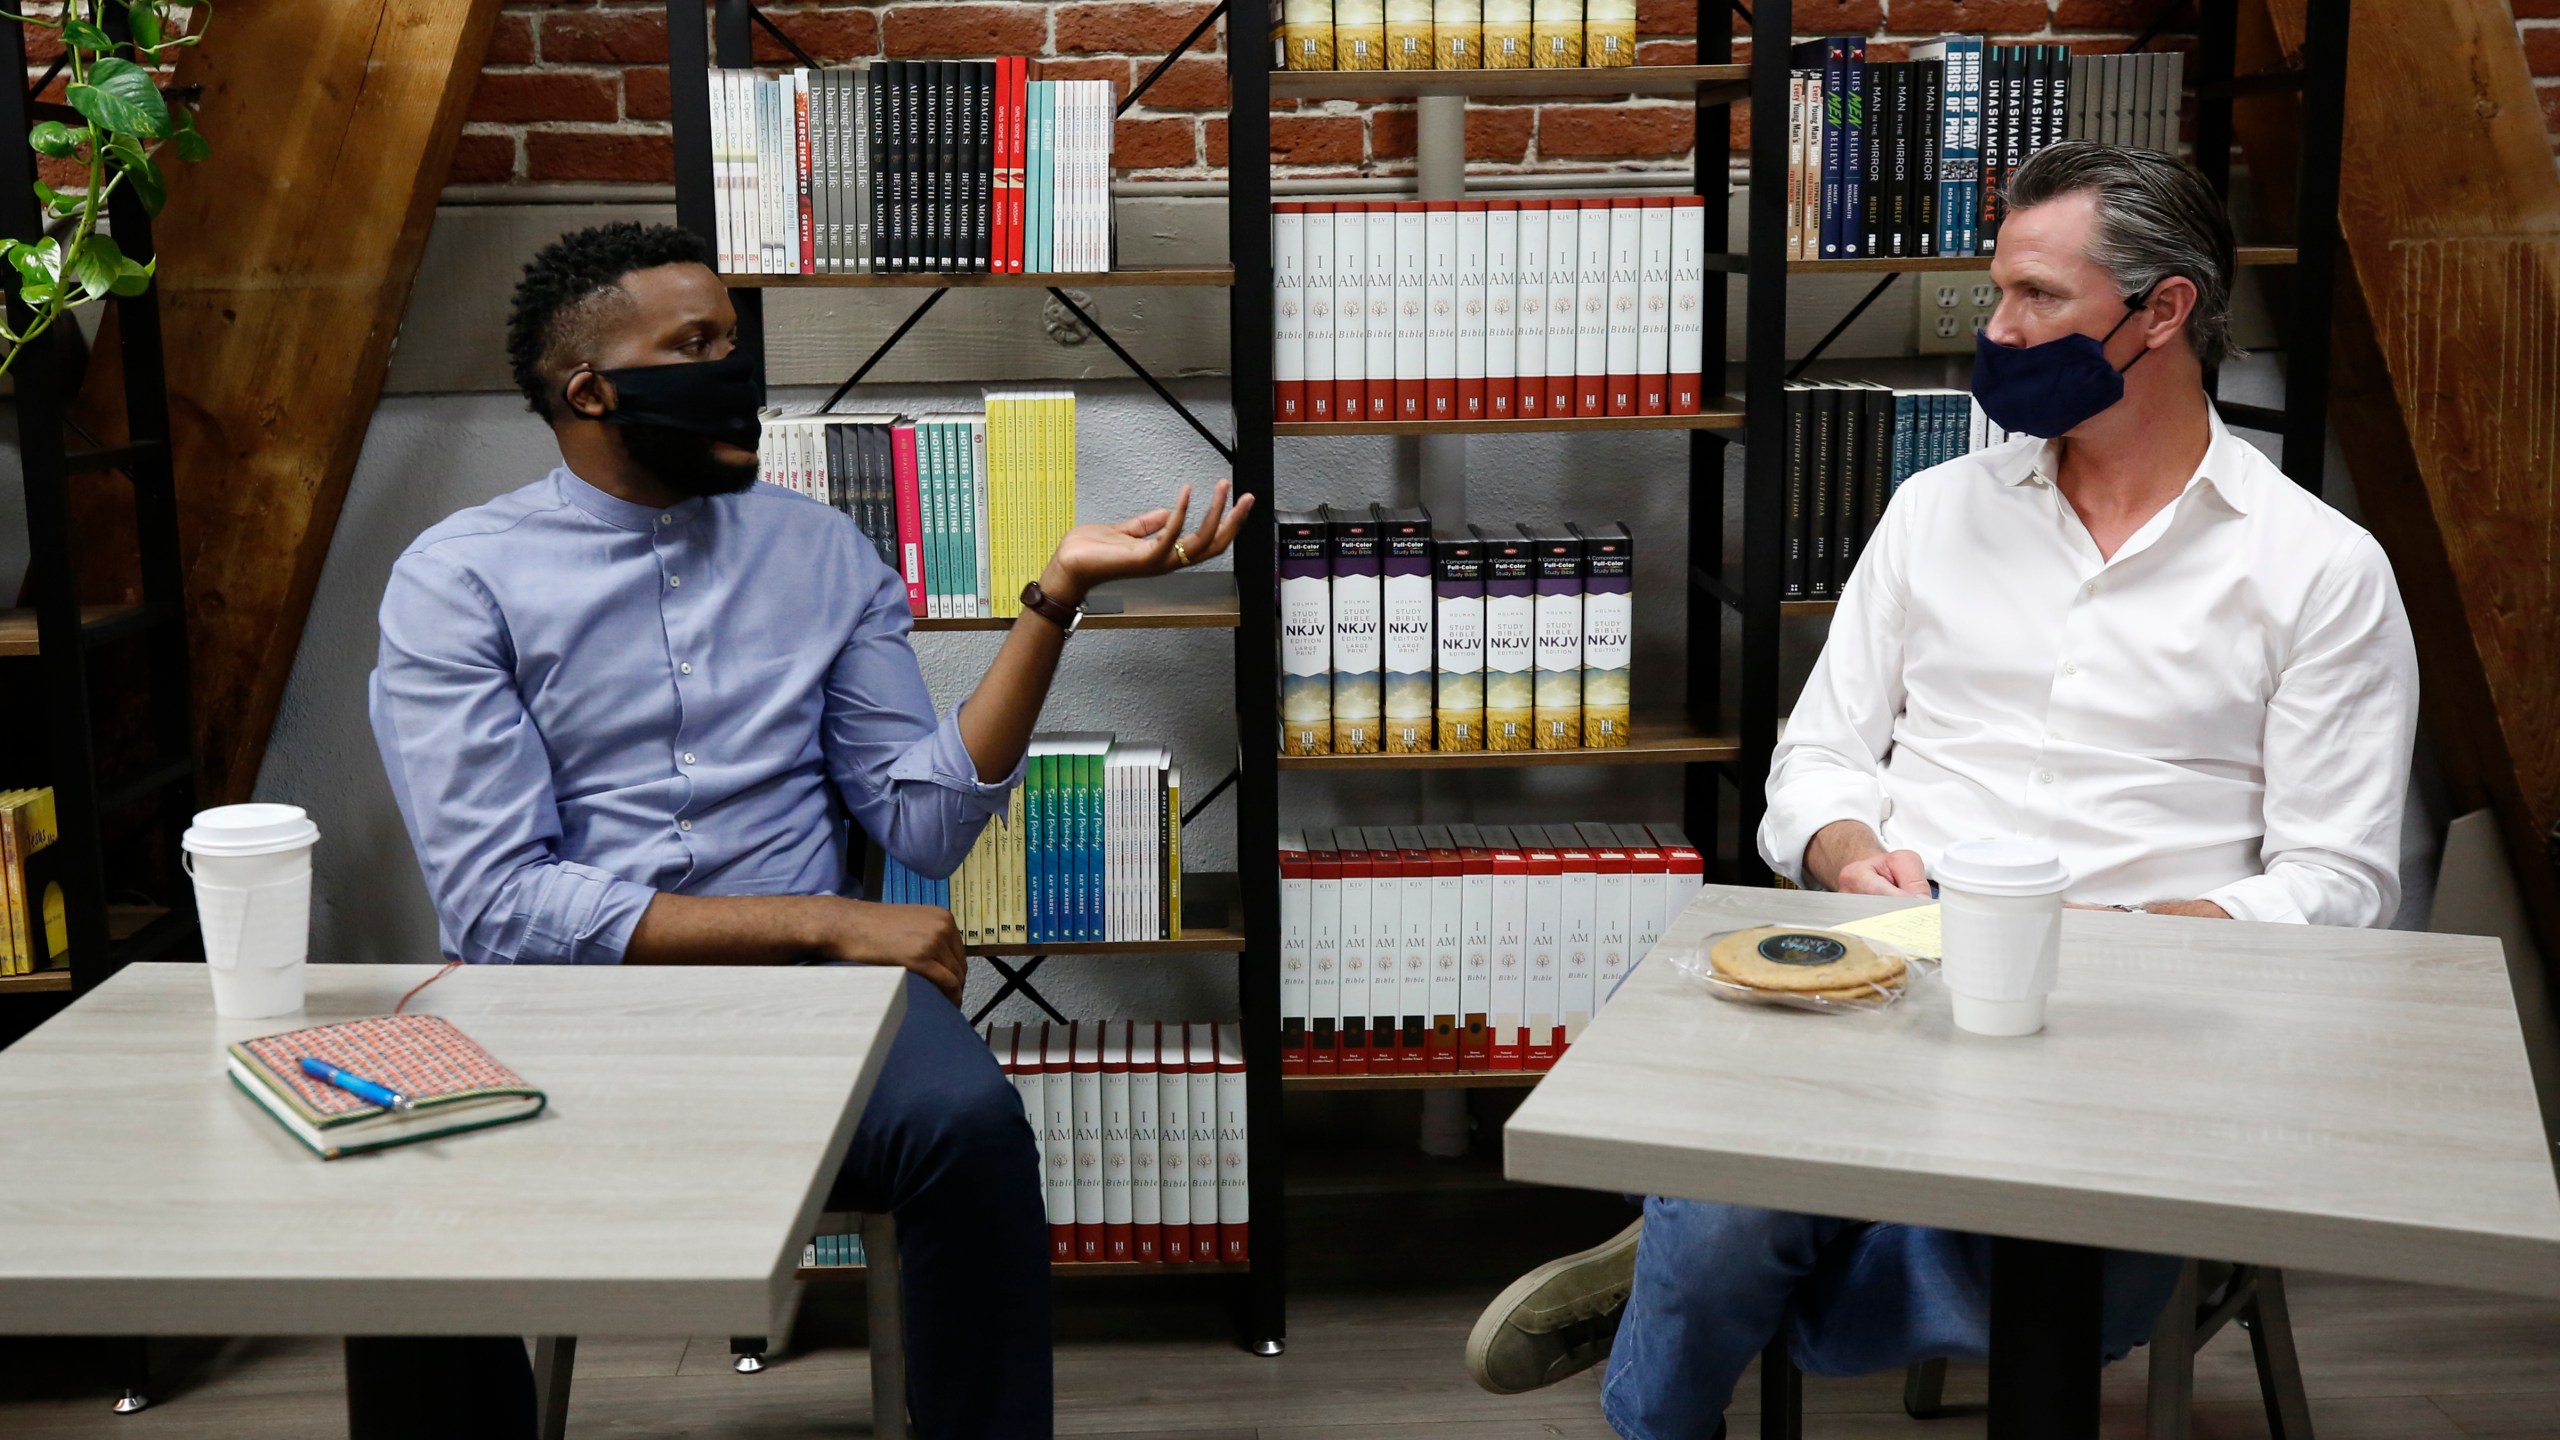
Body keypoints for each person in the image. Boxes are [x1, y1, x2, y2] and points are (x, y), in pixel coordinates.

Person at [1464, 143, 2420, 1439]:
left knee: (1977, 1258)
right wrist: (1851, 850)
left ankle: (1702, 1264)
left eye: (2037, 298)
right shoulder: (1933, 513)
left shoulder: (2320, 571)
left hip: (2142, 1036)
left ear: (2165, 312)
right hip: (1886, 989)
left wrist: (2141, 939)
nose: (1998, 330)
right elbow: (1815, 766)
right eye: (1996, 295)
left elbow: (2341, 885)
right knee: (1755, 1184)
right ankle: (1702, 1307)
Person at [362, 222, 1248, 1438]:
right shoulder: (455, 581)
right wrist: (827, 919)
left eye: (736, 337)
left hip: (806, 1008)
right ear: (589, 389)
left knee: (966, 1125)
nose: (737, 367)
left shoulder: (822, 551)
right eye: (696, 344)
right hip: (564, 1002)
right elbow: (501, 903)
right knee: (399, 1161)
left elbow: (922, 823)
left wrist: (1054, 600)